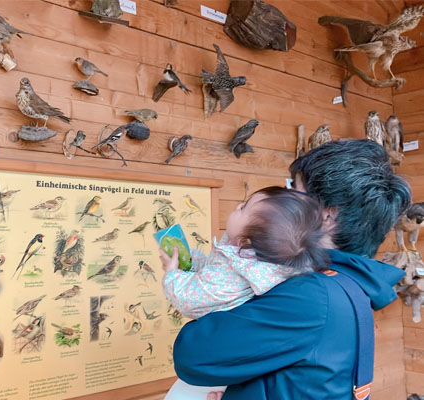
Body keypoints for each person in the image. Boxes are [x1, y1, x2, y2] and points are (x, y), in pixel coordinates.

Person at [169, 139, 411, 399]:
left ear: (327, 216)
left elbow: (194, 354)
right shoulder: (342, 285)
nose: (282, 199)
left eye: (294, 189)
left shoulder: (313, 296)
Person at [161, 186, 329, 400]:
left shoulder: (237, 268)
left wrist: (172, 275)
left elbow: (190, 299)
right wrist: (191, 262)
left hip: (215, 367)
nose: (237, 206)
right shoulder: (251, 261)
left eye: (243, 207)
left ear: (246, 242)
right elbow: (213, 276)